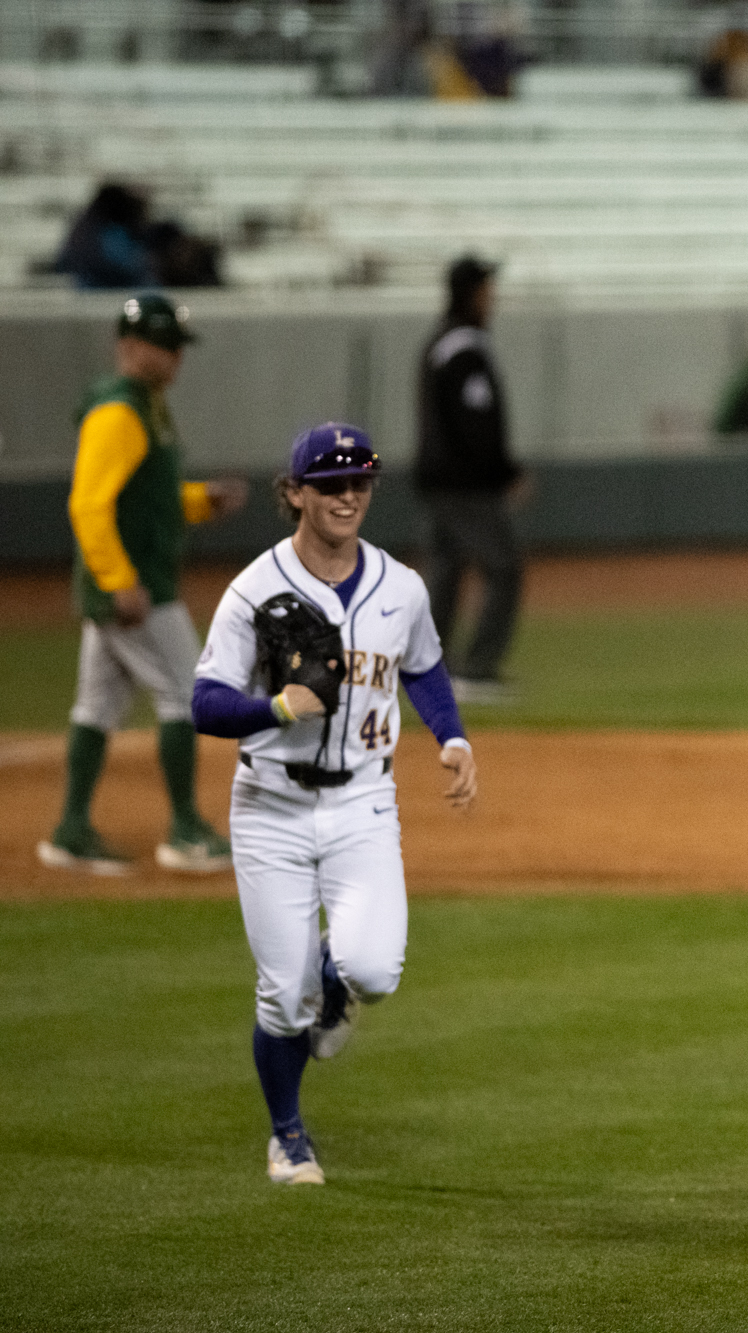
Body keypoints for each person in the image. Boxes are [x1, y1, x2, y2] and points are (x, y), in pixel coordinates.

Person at [190, 423, 477, 1185]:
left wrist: (453, 738)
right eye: (329, 483)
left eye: (359, 482)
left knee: (374, 970)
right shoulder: (253, 589)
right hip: (270, 806)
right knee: (283, 1001)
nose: (347, 495)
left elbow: (425, 667)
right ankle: (287, 1135)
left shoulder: (401, 586)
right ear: (295, 494)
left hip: (364, 804)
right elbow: (206, 703)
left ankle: (333, 974)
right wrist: (277, 708)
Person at [38, 294, 247, 876]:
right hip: (137, 591)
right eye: (163, 345)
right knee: (187, 694)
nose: (175, 357)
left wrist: (200, 501)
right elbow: (88, 505)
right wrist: (119, 581)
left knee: (98, 705)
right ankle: (184, 831)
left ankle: (70, 830)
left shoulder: (147, 406)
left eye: (178, 346)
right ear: (128, 346)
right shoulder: (119, 412)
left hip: (131, 584)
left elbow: (147, 502)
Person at [416, 254, 526, 703]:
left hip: (440, 480)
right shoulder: (463, 349)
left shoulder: (442, 343)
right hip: (466, 486)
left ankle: (429, 671)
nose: (492, 297)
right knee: (503, 568)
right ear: (470, 294)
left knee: (445, 572)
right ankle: (477, 671)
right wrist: (505, 473)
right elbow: (475, 426)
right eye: (486, 289)